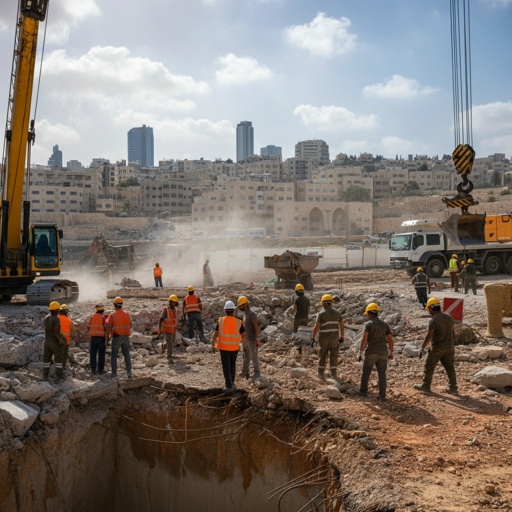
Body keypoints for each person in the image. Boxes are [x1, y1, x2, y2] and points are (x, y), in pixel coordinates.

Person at [413, 297, 458, 394]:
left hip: (437, 347)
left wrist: (422, 348)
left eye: (428, 309)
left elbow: (429, 335)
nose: (429, 311)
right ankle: (453, 388)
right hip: (450, 346)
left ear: (431, 308)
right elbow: (453, 332)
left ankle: (426, 386)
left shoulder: (433, 320)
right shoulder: (449, 317)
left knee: (429, 366)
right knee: (450, 367)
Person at [356, 303, 394, 401]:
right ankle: (382, 396)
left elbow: (364, 339)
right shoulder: (385, 325)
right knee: (382, 374)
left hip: (372, 352)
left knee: (366, 372)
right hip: (383, 353)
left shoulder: (368, 324)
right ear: (377, 312)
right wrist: (391, 352)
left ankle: (363, 391)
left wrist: (360, 352)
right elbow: (390, 339)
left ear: (369, 313)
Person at [211, 300, 246, 391]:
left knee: (226, 366)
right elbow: (244, 336)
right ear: (234, 311)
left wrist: (212, 345)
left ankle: (228, 386)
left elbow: (215, 334)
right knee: (232, 365)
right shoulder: (238, 322)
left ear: (225, 310)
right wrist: (245, 346)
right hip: (234, 348)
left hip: (223, 348)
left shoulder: (221, 321)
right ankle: (232, 383)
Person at [311, 294, 344, 380]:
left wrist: (313, 337)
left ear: (325, 303)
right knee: (333, 356)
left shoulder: (321, 314)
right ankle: (334, 374)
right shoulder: (337, 313)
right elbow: (342, 325)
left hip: (324, 339)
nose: (321, 304)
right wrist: (342, 336)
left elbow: (316, 327)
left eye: (322, 303)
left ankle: (321, 374)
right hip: (334, 339)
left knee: (323, 355)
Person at [106, 296, 133, 378]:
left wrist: (108, 337)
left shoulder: (113, 314)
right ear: (121, 304)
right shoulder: (127, 314)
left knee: (114, 355)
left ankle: (114, 373)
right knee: (126, 355)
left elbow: (109, 327)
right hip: (126, 337)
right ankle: (129, 373)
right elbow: (130, 325)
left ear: (114, 304)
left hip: (117, 337)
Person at [237, 296, 261, 379]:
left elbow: (256, 326)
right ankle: (245, 372)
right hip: (246, 339)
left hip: (251, 339)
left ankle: (257, 372)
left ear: (245, 305)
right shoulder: (245, 314)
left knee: (253, 356)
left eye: (240, 306)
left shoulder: (252, 314)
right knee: (246, 355)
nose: (239, 308)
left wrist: (257, 337)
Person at [43, 301, 67, 382]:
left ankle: (45, 375)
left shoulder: (46, 317)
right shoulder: (56, 319)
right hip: (54, 341)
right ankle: (59, 374)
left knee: (46, 358)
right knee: (58, 359)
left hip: (46, 340)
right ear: (56, 310)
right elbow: (56, 332)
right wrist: (61, 340)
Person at [87, 302, 108, 376]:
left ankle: (93, 370)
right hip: (101, 337)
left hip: (93, 337)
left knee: (93, 354)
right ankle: (100, 370)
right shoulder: (104, 317)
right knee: (101, 354)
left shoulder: (92, 316)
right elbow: (106, 327)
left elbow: (88, 325)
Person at [159, 294, 180, 363]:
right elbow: (161, 319)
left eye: (175, 302)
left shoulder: (175, 310)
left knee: (172, 342)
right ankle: (169, 356)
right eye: (173, 302)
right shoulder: (166, 309)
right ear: (170, 302)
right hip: (166, 329)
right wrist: (159, 329)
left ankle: (162, 347)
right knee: (170, 343)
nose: (174, 303)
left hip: (173, 329)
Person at [58, 304, 76, 372]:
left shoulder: (56, 318)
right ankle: (62, 369)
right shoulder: (69, 321)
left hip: (56, 340)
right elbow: (73, 331)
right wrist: (71, 336)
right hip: (66, 341)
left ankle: (56, 369)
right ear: (66, 312)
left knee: (57, 355)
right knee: (63, 356)